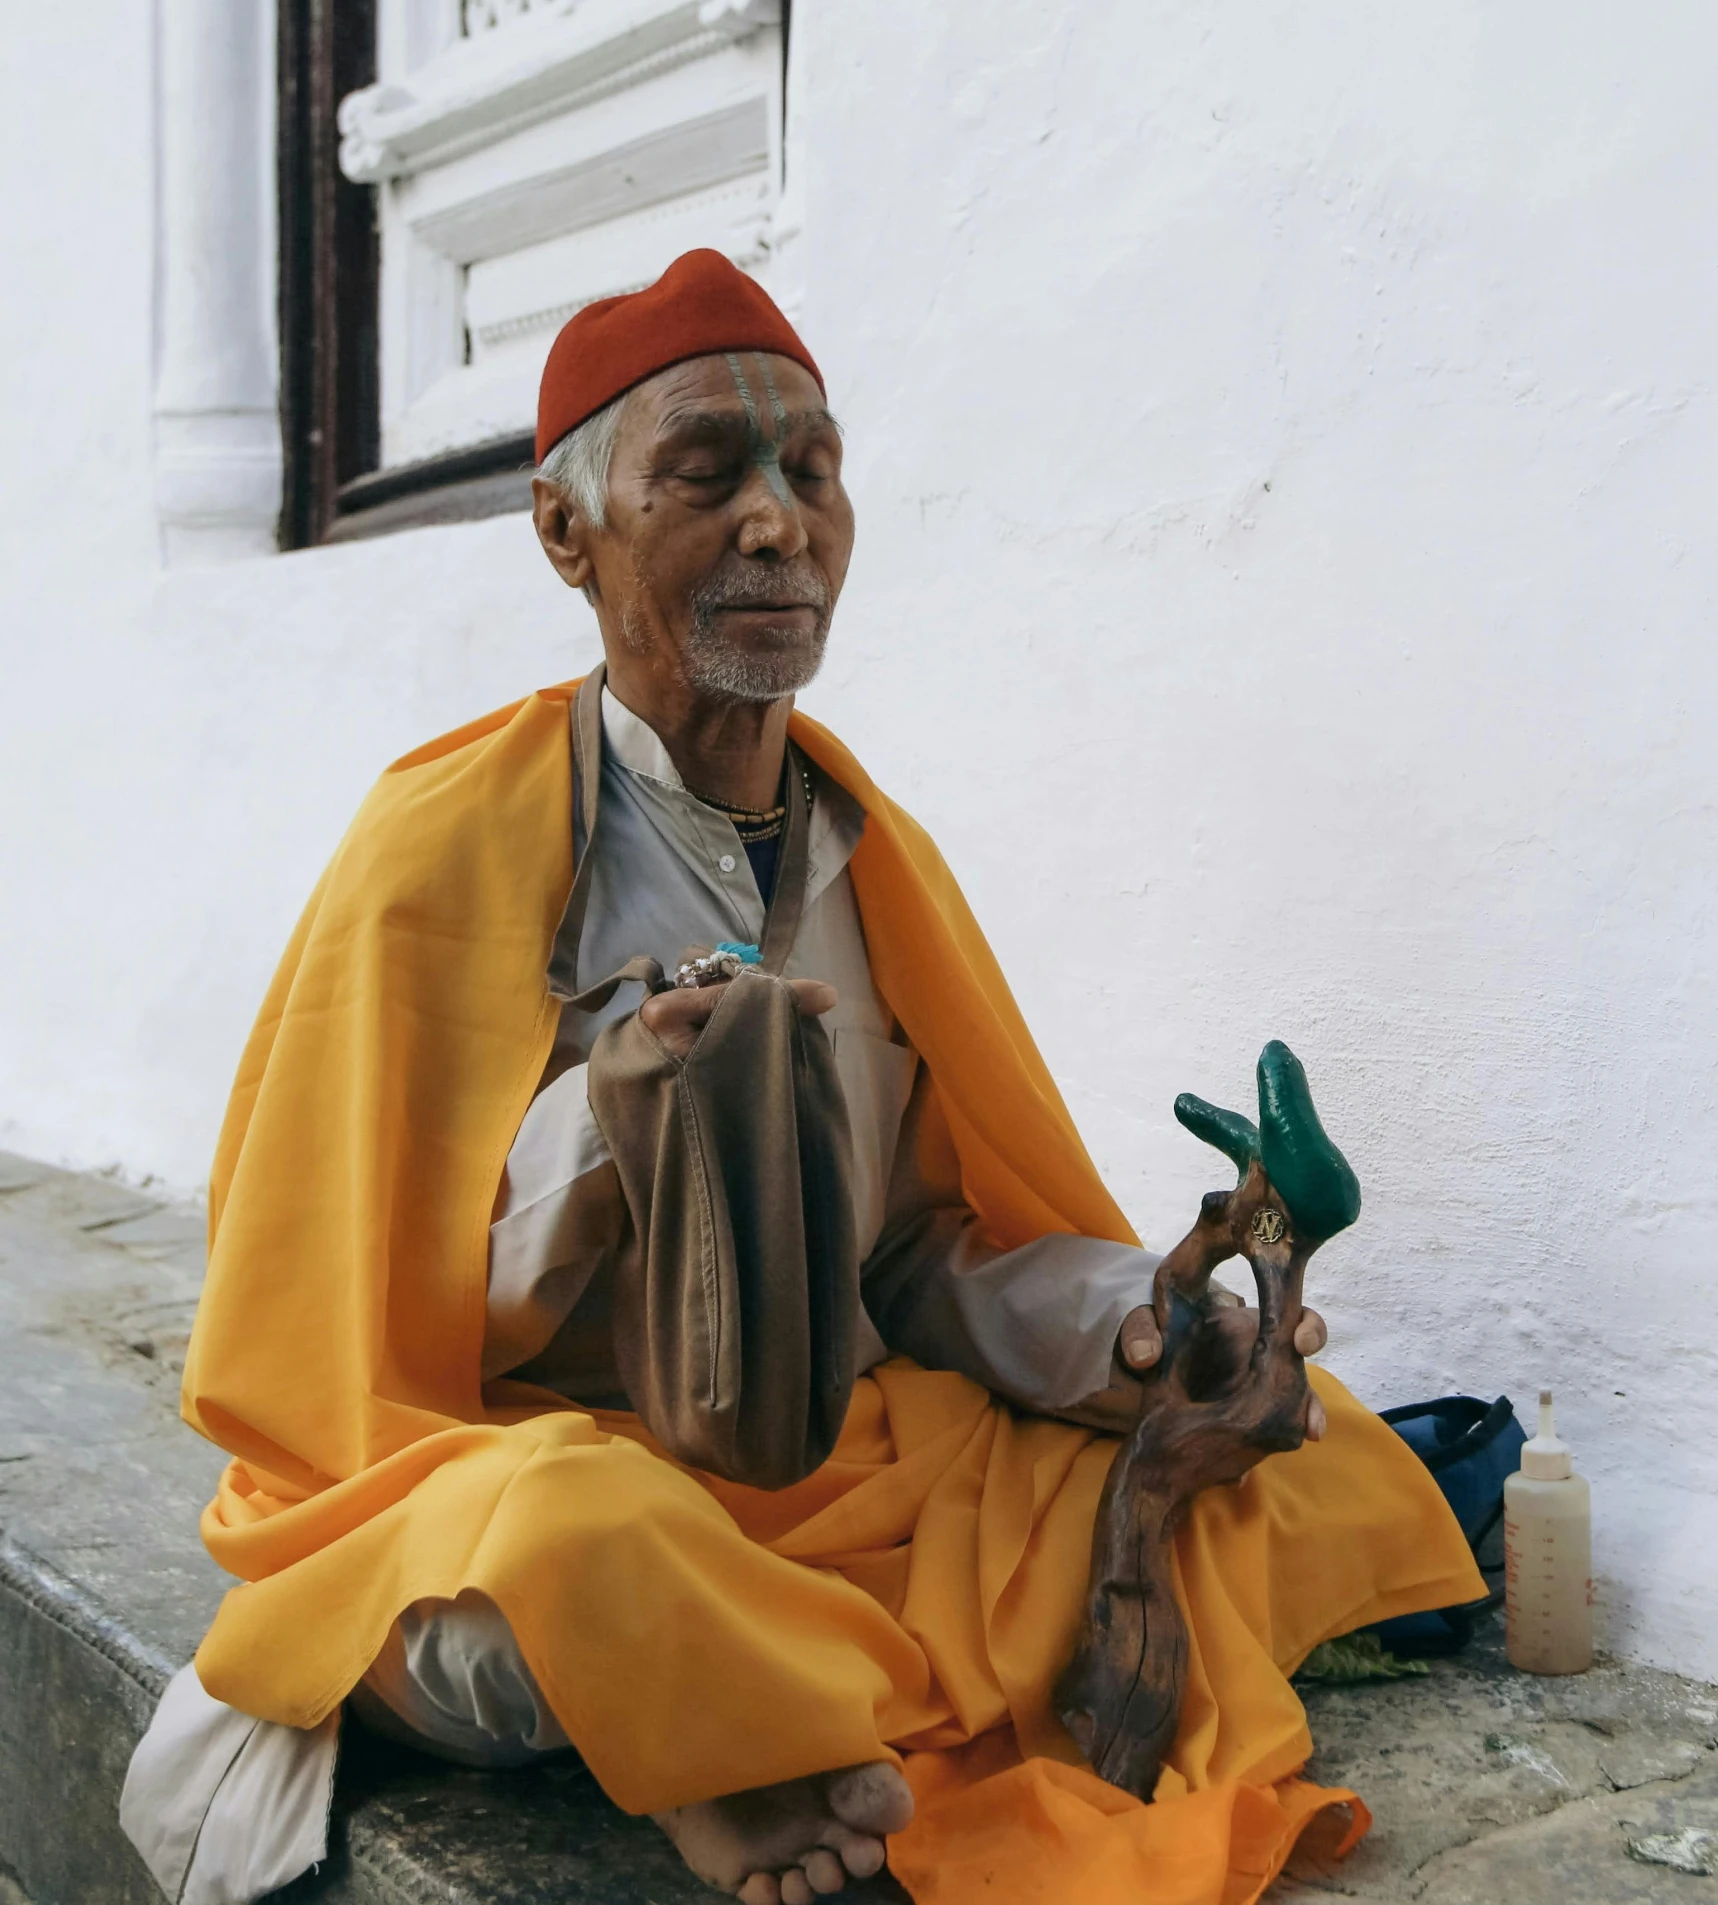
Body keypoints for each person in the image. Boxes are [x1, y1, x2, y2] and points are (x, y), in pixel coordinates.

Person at [120, 251, 1480, 1905]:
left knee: (1302, 1437)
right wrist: (613, 1125)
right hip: (539, 1467)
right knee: (566, 1552)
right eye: (706, 478)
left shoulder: (865, 856)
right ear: (571, 534)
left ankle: (753, 1716)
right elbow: (338, 1345)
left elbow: (918, 1256)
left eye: (811, 474)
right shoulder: (437, 854)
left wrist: (1138, 1321)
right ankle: (716, 1737)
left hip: (837, 1484)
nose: (779, 523)